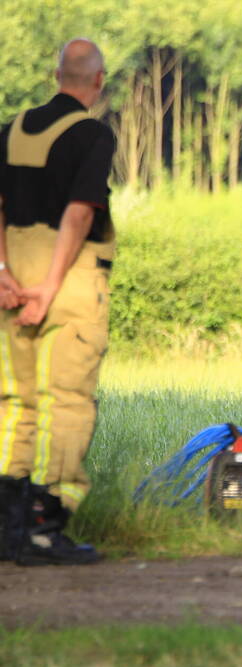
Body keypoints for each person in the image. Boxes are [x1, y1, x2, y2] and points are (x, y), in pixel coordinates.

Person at [0, 39, 115, 565]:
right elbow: (80, 212)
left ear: (54, 74)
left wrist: (4, 272)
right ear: (98, 82)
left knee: (15, 401)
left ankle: (9, 523)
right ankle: (45, 526)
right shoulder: (91, 133)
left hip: (11, 271)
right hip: (65, 276)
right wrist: (49, 284)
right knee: (64, 400)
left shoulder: (13, 130)